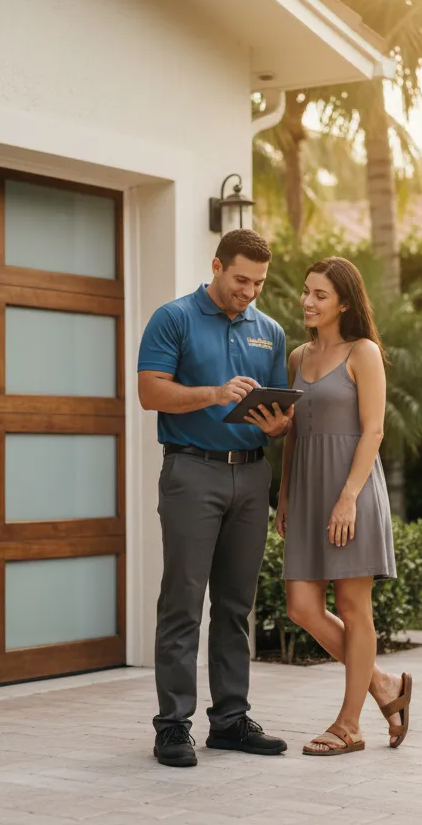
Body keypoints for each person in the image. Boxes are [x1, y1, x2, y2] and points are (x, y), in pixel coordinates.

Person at [137, 229, 295, 767]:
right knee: (182, 601)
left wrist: (278, 424)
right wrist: (214, 393)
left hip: (251, 478)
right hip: (191, 471)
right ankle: (173, 726)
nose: (249, 291)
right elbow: (149, 391)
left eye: (259, 283)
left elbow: (279, 412)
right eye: (240, 279)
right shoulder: (173, 317)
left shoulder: (269, 331)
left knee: (235, 606)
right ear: (217, 265)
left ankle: (229, 721)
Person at [276, 256, 412, 756]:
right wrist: (285, 495)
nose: (308, 302)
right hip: (308, 493)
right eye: (306, 292)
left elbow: (374, 429)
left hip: (351, 493)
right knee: (302, 607)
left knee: (355, 610)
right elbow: (292, 435)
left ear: (345, 303)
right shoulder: (296, 357)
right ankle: (382, 684)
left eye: (320, 295)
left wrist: (349, 498)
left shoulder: (364, 352)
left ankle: (350, 725)